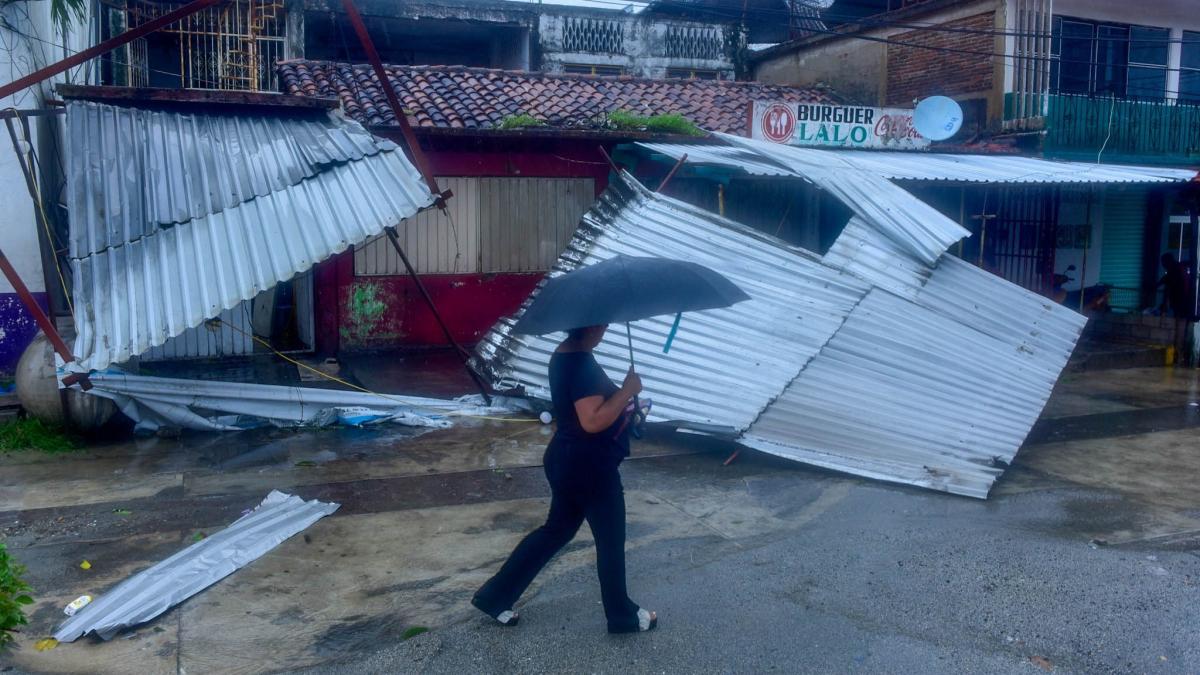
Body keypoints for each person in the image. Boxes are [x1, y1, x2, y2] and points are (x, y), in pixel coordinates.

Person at [471, 324, 658, 634]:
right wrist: (627, 390)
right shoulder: (580, 363)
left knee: (556, 530)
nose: (606, 329)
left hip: (567, 460)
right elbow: (592, 421)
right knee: (610, 539)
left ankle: (495, 596)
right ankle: (621, 614)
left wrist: (625, 403)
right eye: (603, 323)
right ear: (590, 325)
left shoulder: (565, 354)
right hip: (589, 468)